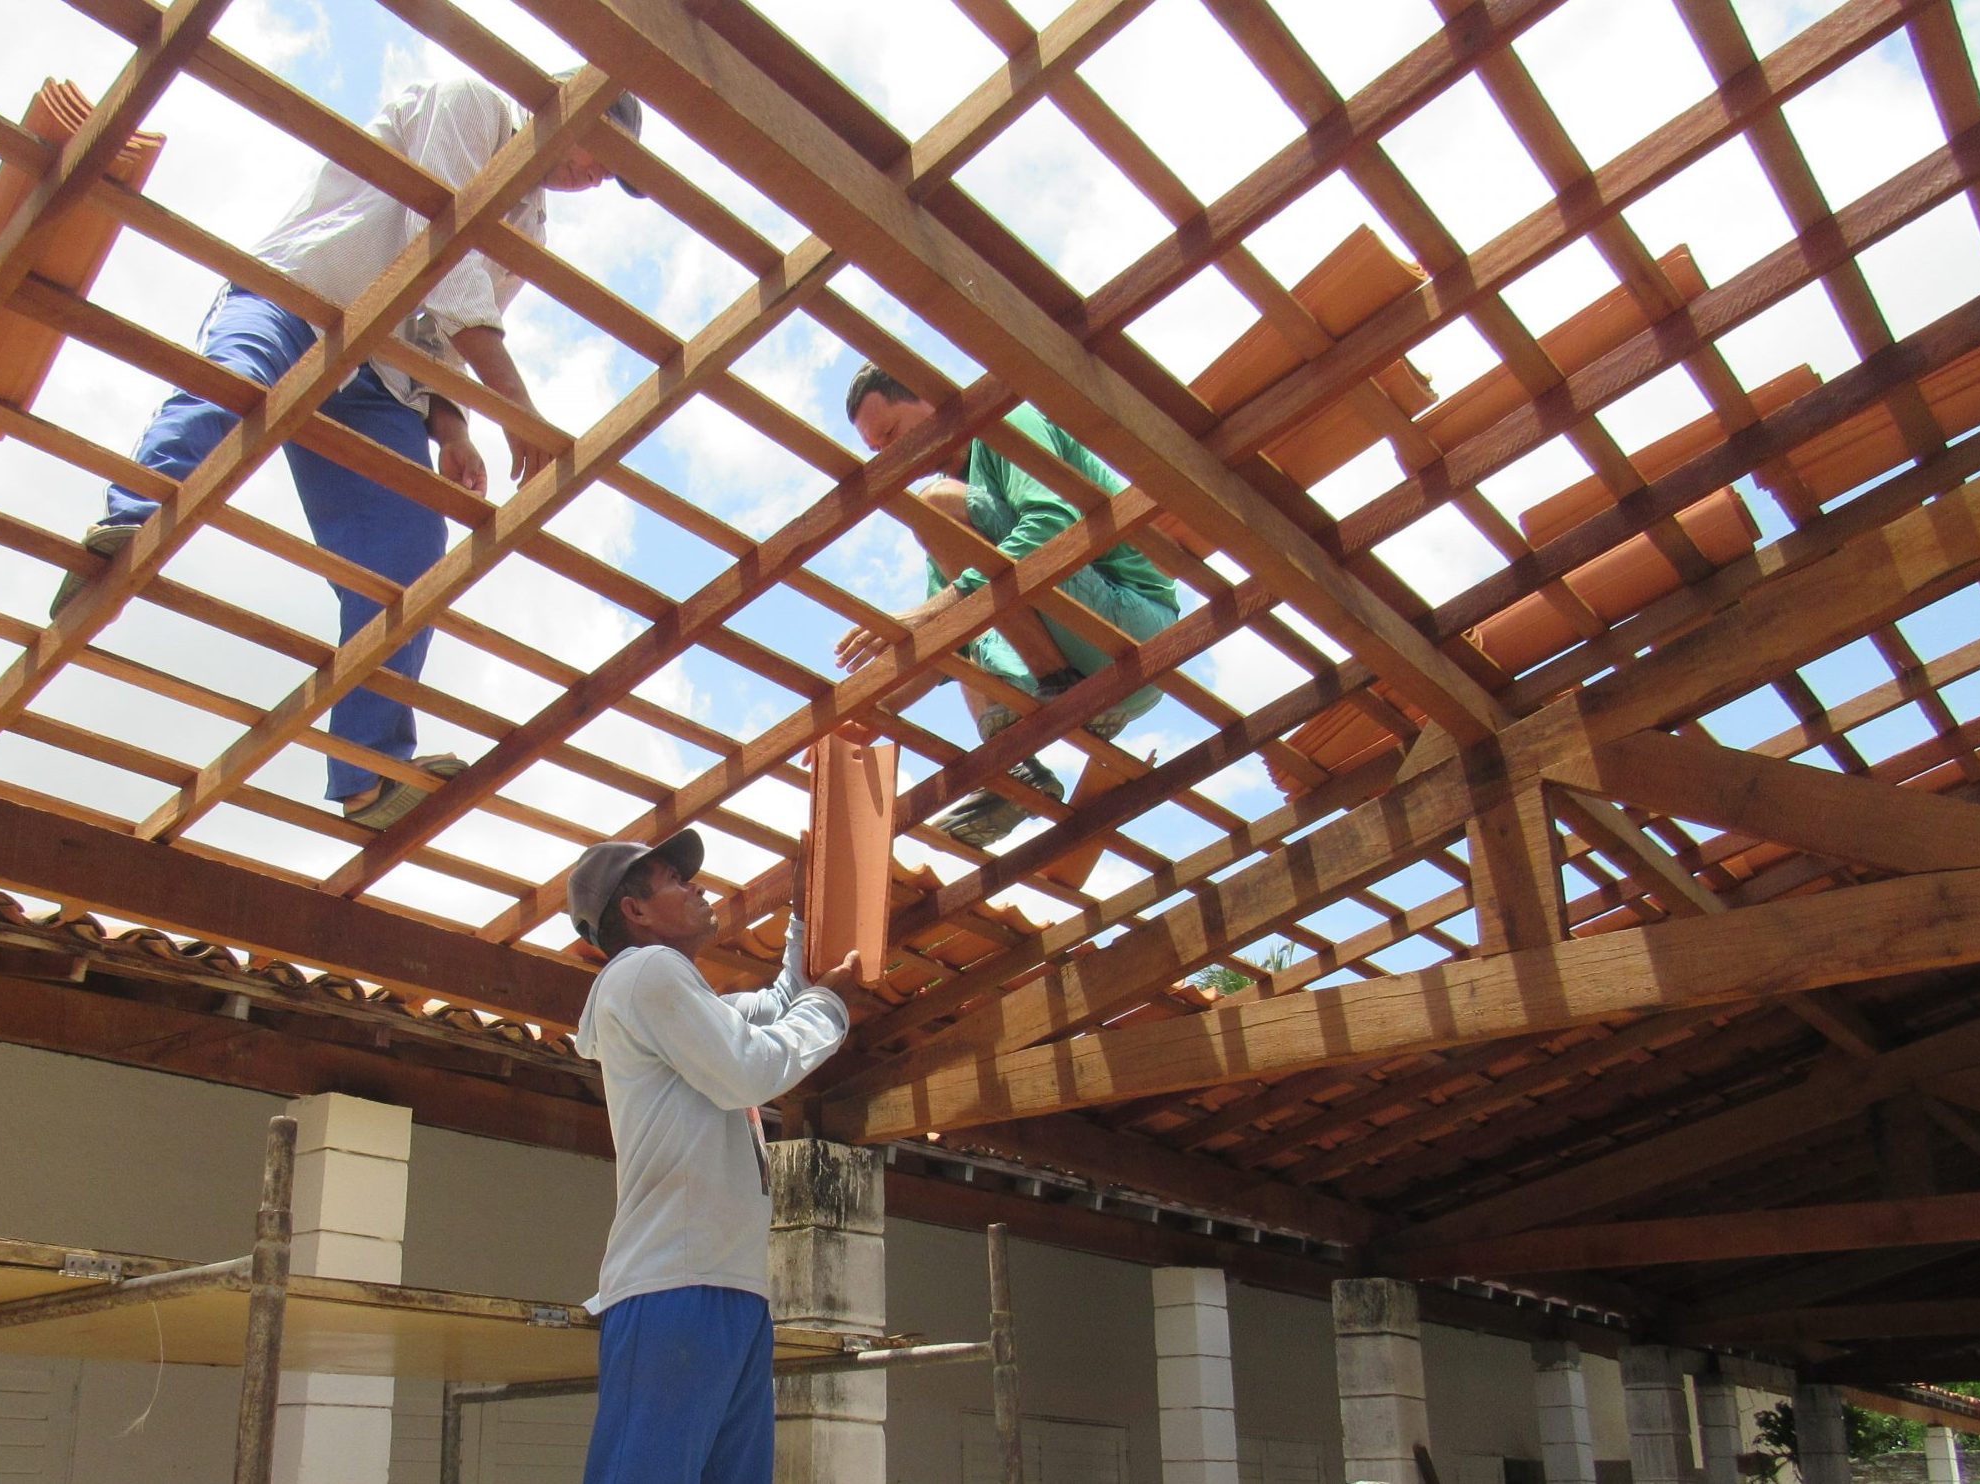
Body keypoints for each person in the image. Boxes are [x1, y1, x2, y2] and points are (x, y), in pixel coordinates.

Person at [58, 73, 644, 832]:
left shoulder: (529, 231)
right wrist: (513, 407)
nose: (598, 175)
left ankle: (368, 773)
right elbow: (436, 236)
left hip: (386, 377)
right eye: (604, 150)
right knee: (234, 388)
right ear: (564, 102)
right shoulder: (473, 103)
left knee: (407, 552)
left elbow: (443, 328)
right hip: (303, 293)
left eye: (613, 177)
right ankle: (126, 531)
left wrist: (452, 421)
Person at [566, 830, 856, 1484]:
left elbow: (782, 1008)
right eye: (674, 880)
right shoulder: (646, 972)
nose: (697, 886)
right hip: (677, 1284)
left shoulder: (682, 1002)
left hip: (725, 1288)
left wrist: (809, 910)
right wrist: (831, 1007)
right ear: (635, 912)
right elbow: (751, 1070)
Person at [834, 363, 1181, 847]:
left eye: (891, 434)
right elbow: (948, 647)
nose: (891, 457)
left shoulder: (1005, 426)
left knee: (939, 523)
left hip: (1134, 629)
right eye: (877, 452)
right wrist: (868, 715)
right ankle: (1018, 765)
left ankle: (1062, 694)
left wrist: (935, 611)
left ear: (931, 401)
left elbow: (1052, 528)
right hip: (1082, 657)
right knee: (958, 622)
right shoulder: (954, 525)